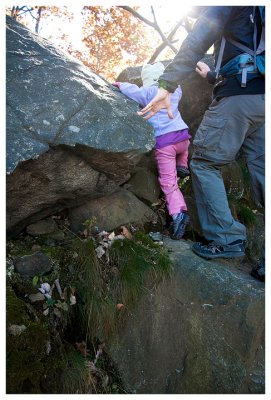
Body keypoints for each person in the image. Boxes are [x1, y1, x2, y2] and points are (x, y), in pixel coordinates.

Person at [138, 7, 265, 281]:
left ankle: (227, 238)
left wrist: (166, 84)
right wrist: (212, 77)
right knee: (263, 173)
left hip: (238, 96)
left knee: (205, 162)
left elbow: (197, 39)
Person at [113, 62, 191, 240]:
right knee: (184, 147)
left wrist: (119, 85)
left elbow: (132, 91)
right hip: (183, 137)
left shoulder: (148, 93)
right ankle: (183, 164)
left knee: (168, 182)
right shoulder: (176, 91)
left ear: (147, 80)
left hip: (166, 144)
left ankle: (179, 213)